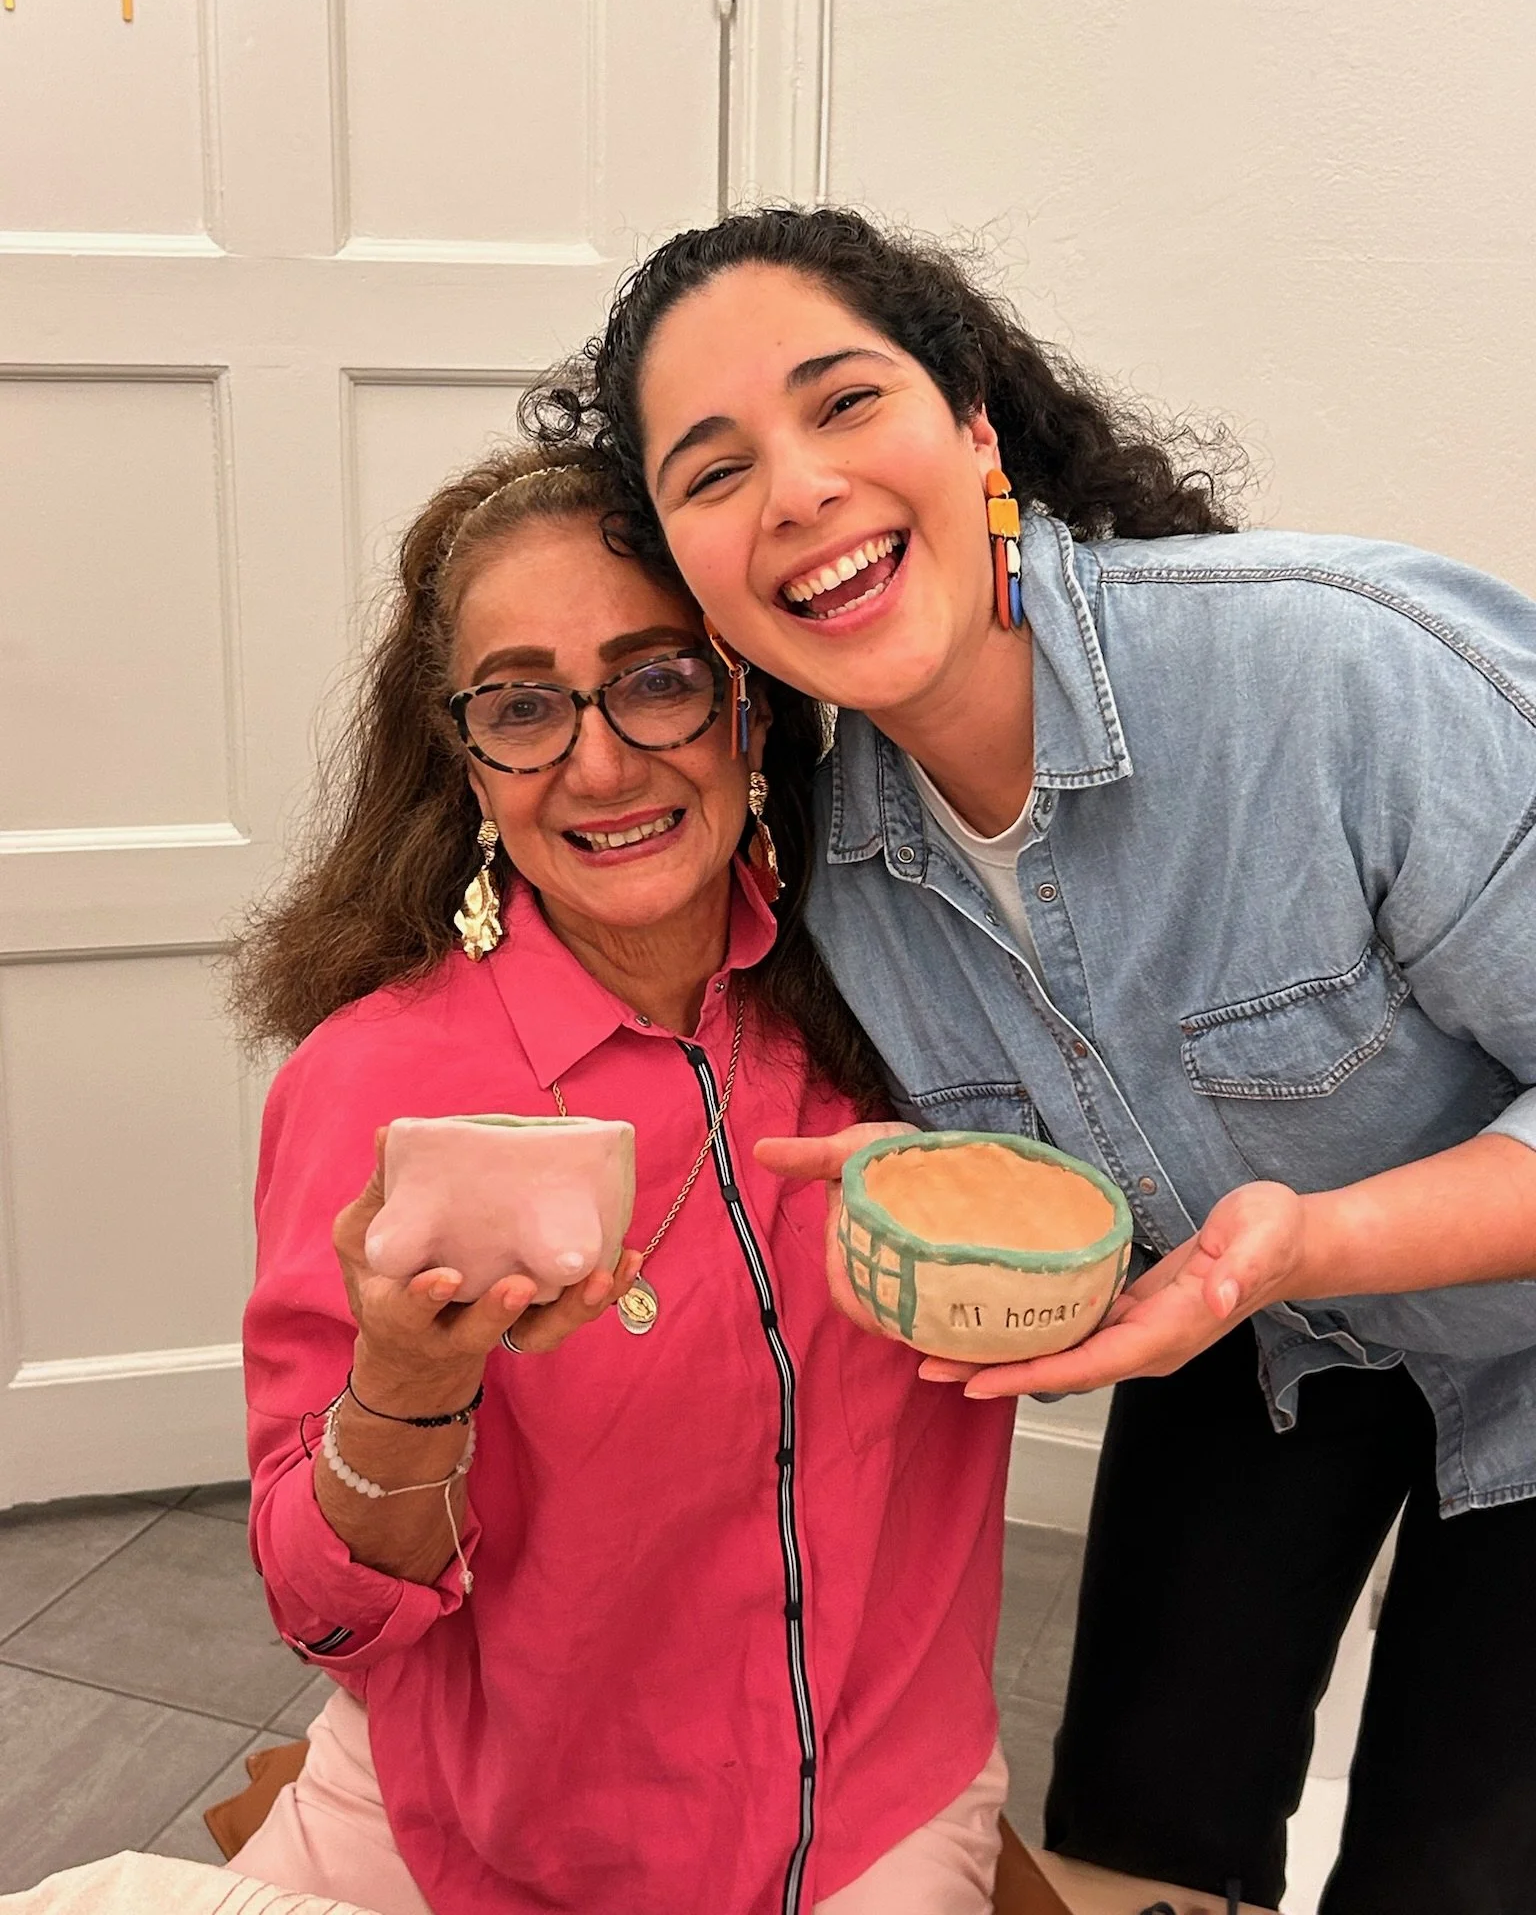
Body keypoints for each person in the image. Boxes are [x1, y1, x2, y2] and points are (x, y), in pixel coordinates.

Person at [522, 207, 1536, 1915]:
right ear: (690, 569)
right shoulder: (837, 863)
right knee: (1136, 1835)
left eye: (845, 404)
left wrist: (1306, 1240)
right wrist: (971, 1208)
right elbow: (1117, 1192)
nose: (796, 492)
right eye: (713, 472)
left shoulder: (1341, 670)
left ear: (976, 428)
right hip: (1263, 1324)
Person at [229, 446, 1017, 1915]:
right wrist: (403, 1396)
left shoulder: (920, 998)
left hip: (867, 1810)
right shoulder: (369, 1084)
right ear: (466, 758)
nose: (597, 763)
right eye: (523, 705)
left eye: (656, 678)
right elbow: (321, 1611)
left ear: (750, 703)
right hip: (468, 1820)